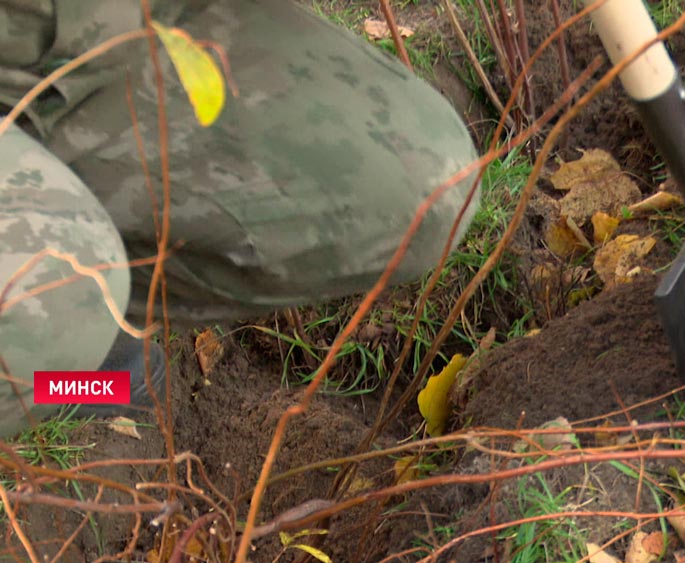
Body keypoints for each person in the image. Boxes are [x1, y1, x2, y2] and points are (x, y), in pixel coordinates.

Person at [0, 0, 480, 438]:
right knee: (52, 315)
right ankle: (53, 355)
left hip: (106, 26)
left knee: (426, 187)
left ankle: (78, 312)